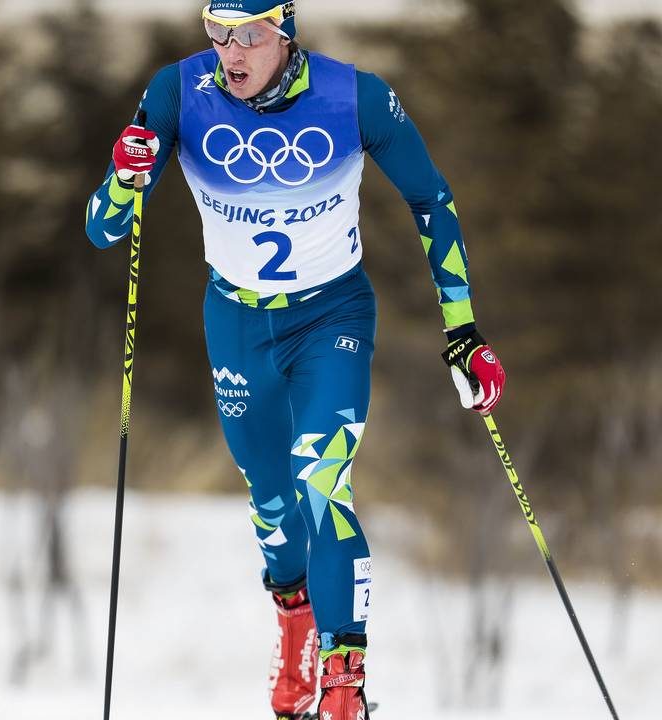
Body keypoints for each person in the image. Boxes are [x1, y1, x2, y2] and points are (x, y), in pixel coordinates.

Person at [85, 2, 506, 718]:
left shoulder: (355, 97)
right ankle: (296, 625)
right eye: (217, 33)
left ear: (286, 35)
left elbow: (432, 199)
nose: (230, 51)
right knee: (274, 507)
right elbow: (103, 231)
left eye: (248, 34)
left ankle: (345, 680)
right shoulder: (178, 92)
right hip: (237, 323)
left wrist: (464, 330)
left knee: (322, 480)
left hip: (331, 317)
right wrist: (124, 180)